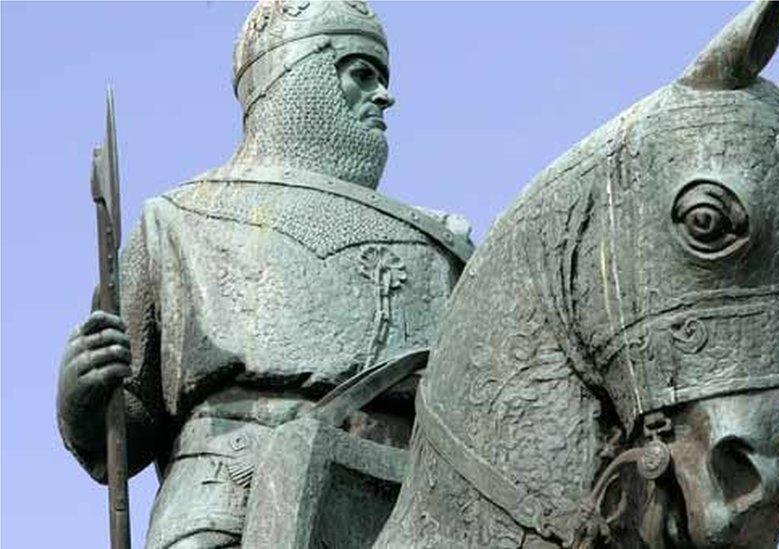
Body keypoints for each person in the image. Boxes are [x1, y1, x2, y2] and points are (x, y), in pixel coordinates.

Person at [56, 1, 472, 547]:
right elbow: (127, 430)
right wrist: (82, 396)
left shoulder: (438, 247)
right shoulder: (178, 222)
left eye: (382, 76)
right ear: (296, 74)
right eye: (361, 72)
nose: (384, 95)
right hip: (228, 505)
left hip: (401, 507)